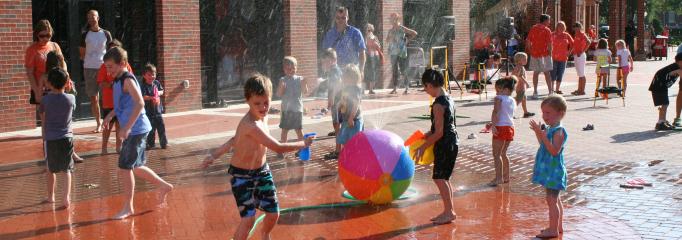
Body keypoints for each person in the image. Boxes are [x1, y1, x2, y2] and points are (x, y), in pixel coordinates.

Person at [200, 74, 314, 240]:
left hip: (261, 172)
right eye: (257, 103)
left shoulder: (263, 117)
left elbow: (234, 140)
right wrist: (302, 143)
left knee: (273, 213)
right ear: (247, 101)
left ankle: (265, 235)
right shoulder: (250, 125)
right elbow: (277, 147)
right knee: (248, 220)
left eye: (266, 102)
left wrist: (214, 155)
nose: (263, 107)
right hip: (241, 176)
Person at [102, 47, 174, 220]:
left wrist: (126, 127)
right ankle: (164, 186)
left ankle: (128, 207)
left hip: (136, 129)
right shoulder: (118, 80)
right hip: (136, 129)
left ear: (123, 64)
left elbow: (140, 103)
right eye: (106, 67)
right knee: (136, 166)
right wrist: (110, 115)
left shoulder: (127, 80)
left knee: (124, 167)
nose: (108, 71)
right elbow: (122, 105)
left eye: (111, 67)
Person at [414, 68, 459, 225]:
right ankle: (449, 210)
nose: (426, 91)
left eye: (425, 88)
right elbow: (443, 127)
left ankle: (449, 212)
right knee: (444, 178)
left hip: (445, 144)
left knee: (439, 178)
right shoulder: (449, 99)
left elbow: (439, 133)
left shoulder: (438, 105)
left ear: (429, 85)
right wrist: (425, 135)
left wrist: (423, 146)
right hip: (452, 142)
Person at [529, 95, 568, 239]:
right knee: (555, 200)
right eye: (543, 112)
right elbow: (543, 144)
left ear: (560, 113)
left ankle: (553, 230)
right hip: (550, 171)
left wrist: (542, 135)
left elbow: (554, 151)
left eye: (548, 113)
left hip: (554, 171)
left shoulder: (559, 131)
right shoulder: (552, 128)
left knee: (551, 200)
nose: (544, 116)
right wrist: (538, 134)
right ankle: (557, 226)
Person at [41, 68, 76, 209]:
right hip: (67, 137)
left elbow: (43, 121)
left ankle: (51, 196)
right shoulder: (71, 98)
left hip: (51, 138)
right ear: (67, 83)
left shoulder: (45, 100)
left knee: (50, 169)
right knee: (66, 169)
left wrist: (44, 136)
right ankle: (66, 198)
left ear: (49, 83)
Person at [41, 51, 84, 163]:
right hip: (56, 101)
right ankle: (70, 154)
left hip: (48, 102)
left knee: (46, 126)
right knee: (66, 126)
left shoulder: (46, 76)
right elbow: (69, 89)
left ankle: (50, 153)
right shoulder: (58, 74)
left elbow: (39, 91)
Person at [80, 10, 113, 133]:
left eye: (93, 16)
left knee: (107, 96)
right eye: (88, 17)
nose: (91, 19)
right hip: (89, 68)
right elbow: (82, 54)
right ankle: (99, 124)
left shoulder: (106, 33)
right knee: (93, 97)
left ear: (98, 17)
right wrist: (90, 61)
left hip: (104, 68)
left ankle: (110, 121)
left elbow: (111, 52)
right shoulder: (84, 35)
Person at [98, 39, 131, 154]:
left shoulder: (125, 66)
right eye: (111, 48)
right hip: (109, 101)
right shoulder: (104, 66)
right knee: (108, 126)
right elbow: (101, 83)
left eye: (115, 48)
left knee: (119, 125)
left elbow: (129, 81)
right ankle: (104, 148)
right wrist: (113, 84)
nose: (113, 50)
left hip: (120, 102)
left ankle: (118, 147)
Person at [487, 77, 517, 186]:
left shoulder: (499, 98)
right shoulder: (512, 100)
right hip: (510, 127)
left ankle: (498, 178)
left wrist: (493, 125)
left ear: (505, 89)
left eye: (498, 89)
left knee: (496, 154)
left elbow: (496, 111)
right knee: (504, 153)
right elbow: (505, 114)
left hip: (500, 127)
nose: (496, 92)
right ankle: (506, 176)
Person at [276, 56, 307, 159]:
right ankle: (282, 149)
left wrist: (304, 84)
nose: (291, 71)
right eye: (288, 69)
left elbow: (306, 92)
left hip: (297, 110)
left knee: (299, 130)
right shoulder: (282, 80)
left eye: (293, 68)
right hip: (287, 110)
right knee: (284, 130)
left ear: (296, 67)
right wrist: (282, 88)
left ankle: (301, 149)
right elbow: (279, 94)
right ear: (284, 69)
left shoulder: (300, 79)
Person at [322, 7, 366, 71]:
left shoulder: (356, 33)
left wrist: (361, 70)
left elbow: (362, 53)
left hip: (351, 72)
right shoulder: (329, 34)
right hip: (335, 72)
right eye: (338, 18)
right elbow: (325, 53)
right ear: (335, 18)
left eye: (343, 18)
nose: (340, 20)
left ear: (347, 18)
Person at [649, 53, 682, 130]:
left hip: (660, 85)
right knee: (665, 103)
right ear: (679, 62)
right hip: (659, 85)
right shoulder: (677, 68)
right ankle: (660, 122)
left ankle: (662, 121)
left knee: (664, 103)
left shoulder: (675, 67)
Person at [320, 49, 343, 160]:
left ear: (333, 60)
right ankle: (341, 147)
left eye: (326, 62)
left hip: (337, 101)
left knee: (336, 124)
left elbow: (336, 85)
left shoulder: (334, 71)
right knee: (338, 125)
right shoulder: (335, 70)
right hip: (340, 101)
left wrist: (331, 98)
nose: (324, 64)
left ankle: (338, 151)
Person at [386, 13, 417, 94]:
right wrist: (390, 38)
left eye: (392, 19)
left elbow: (414, 33)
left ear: (396, 19)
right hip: (393, 53)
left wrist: (407, 40)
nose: (391, 21)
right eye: (390, 19)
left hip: (401, 52)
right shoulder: (391, 30)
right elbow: (386, 41)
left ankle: (407, 88)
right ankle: (395, 88)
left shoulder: (402, 28)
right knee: (394, 70)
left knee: (404, 70)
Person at [336, 65, 364, 152]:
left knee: (354, 140)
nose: (343, 78)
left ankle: (355, 156)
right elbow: (343, 99)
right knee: (345, 139)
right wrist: (339, 105)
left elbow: (356, 104)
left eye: (345, 76)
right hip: (346, 119)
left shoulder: (356, 89)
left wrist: (351, 118)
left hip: (354, 120)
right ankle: (348, 155)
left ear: (353, 78)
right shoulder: (346, 88)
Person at [526, 14, 554, 98]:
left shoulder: (533, 28)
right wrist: (550, 53)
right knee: (547, 73)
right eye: (549, 20)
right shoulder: (547, 30)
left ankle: (535, 92)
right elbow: (549, 43)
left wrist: (531, 51)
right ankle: (550, 92)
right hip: (544, 54)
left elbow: (528, 40)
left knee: (536, 73)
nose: (549, 22)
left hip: (535, 54)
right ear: (545, 21)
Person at [141, 63, 168, 149]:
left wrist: (158, 94)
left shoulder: (156, 83)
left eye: (153, 74)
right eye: (149, 75)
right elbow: (143, 96)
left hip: (158, 110)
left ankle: (164, 143)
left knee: (161, 127)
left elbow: (162, 91)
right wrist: (151, 97)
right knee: (151, 129)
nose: (152, 77)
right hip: (149, 111)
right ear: (144, 75)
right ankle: (150, 144)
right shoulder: (143, 86)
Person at [550, 21, 574, 95]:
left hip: (563, 58)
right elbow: (547, 43)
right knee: (552, 74)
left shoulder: (566, 35)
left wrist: (569, 52)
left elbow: (572, 43)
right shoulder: (552, 34)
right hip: (553, 57)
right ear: (557, 27)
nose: (561, 28)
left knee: (560, 74)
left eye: (563, 26)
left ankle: (557, 89)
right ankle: (551, 89)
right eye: (559, 26)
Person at [512, 52, 535, 118]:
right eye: (524, 59)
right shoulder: (520, 67)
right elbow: (520, 76)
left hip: (520, 86)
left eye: (526, 59)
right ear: (519, 60)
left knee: (524, 99)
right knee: (518, 101)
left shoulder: (519, 67)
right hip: (520, 87)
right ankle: (511, 113)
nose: (526, 60)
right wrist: (527, 83)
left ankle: (525, 112)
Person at [571, 22, 591, 96]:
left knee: (582, 73)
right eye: (574, 27)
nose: (575, 28)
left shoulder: (582, 34)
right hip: (576, 55)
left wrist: (582, 51)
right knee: (579, 74)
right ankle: (579, 89)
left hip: (581, 55)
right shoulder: (576, 35)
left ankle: (582, 90)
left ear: (579, 27)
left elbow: (589, 42)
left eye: (576, 26)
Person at [364, 23, 383, 95]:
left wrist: (376, 44)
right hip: (368, 56)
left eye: (369, 30)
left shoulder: (375, 37)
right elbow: (364, 47)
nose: (368, 31)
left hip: (375, 56)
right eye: (367, 30)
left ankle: (371, 89)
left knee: (373, 72)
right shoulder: (365, 38)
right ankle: (365, 88)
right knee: (367, 71)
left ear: (372, 30)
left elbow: (379, 47)